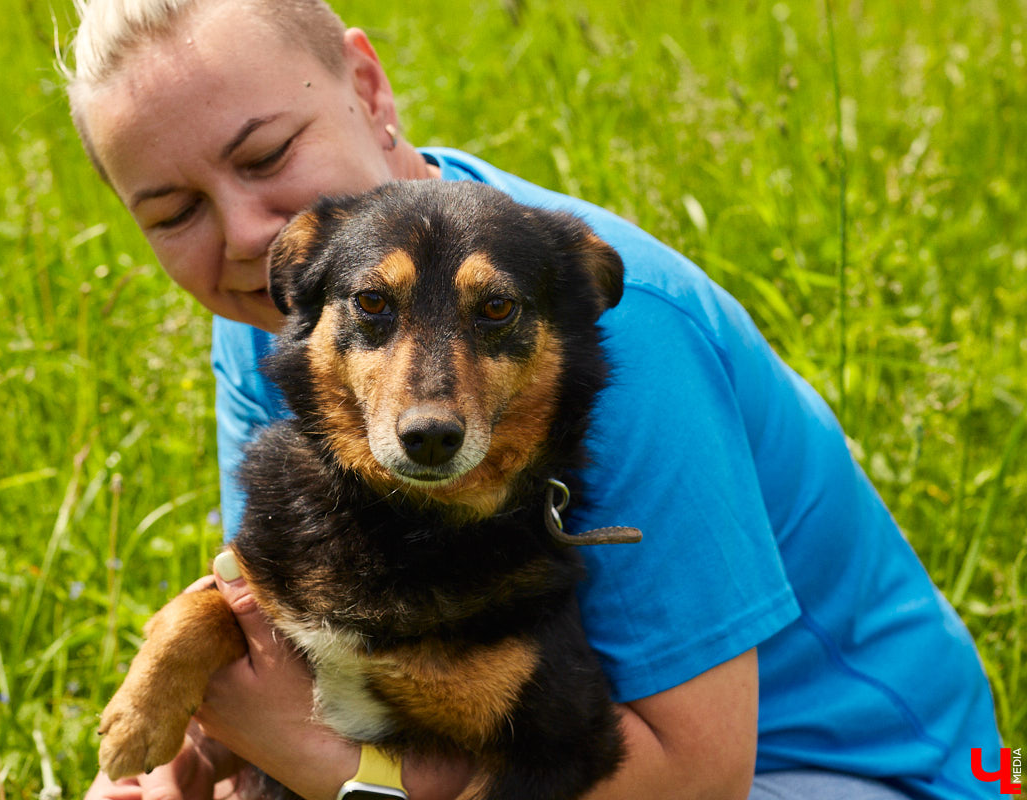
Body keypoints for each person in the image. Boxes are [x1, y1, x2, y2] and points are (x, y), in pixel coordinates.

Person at [63, 1, 1002, 798]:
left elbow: (701, 776)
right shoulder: (293, 303)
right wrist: (186, 760)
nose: (241, 233)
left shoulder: (604, 331)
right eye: (175, 212)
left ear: (370, 89)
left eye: (267, 154)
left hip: (850, 768)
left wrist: (337, 773)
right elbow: (276, 633)